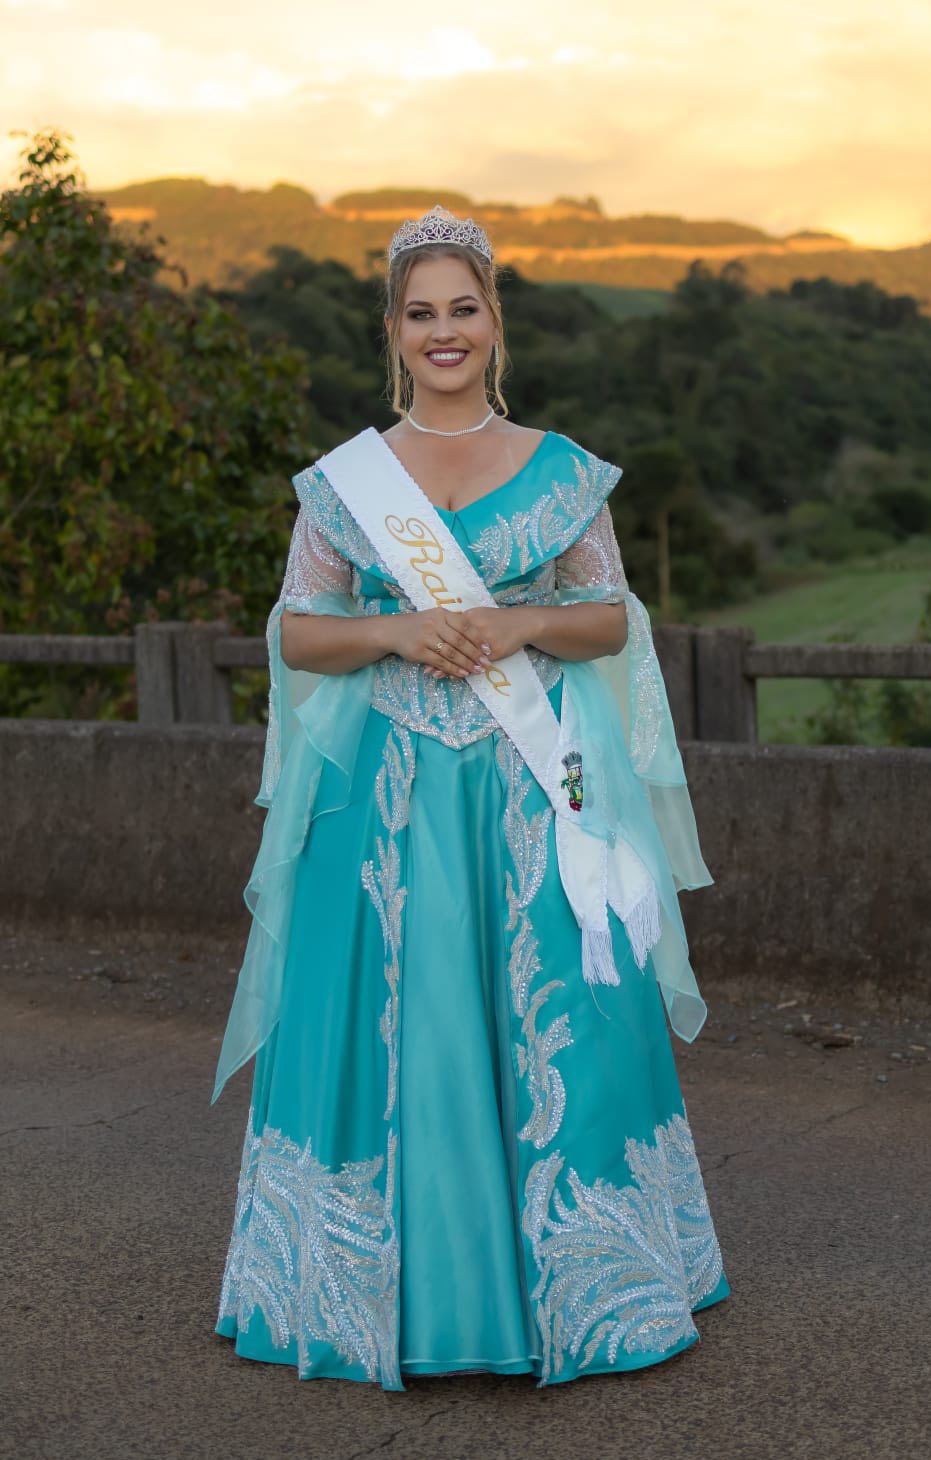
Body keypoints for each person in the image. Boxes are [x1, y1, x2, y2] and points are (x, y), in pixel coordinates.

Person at [213, 205, 730, 1391]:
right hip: (384, 800)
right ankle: (374, 1292)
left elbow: (608, 620)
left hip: (531, 789)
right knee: (387, 1018)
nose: (442, 331)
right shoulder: (346, 483)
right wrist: (395, 630)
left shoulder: (560, 468)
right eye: (419, 312)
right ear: (392, 330)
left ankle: (590, 1283)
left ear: (493, 319)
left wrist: (514, 622)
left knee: (562, 1017)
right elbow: (297, 632)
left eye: (463, 307)